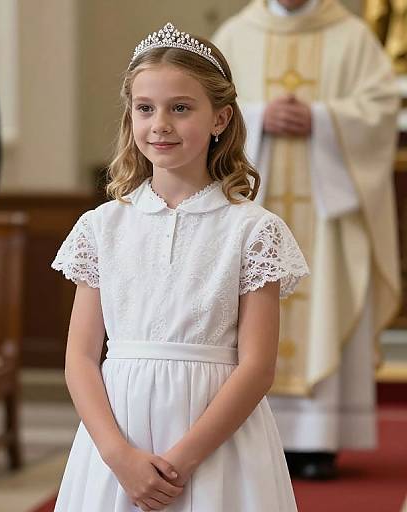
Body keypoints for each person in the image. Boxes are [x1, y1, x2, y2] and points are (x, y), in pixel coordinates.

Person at [51, 21, 309, 512]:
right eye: (145, 109)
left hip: (217, 444)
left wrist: (183, 461)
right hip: (116, 440)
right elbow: (81, 358)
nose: (160, 124)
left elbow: (257, 367)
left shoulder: (253, 231)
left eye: (181, 108)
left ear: (220, 119)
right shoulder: (101, 227)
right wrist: (118, 456)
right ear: (130, 116)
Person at [213, 0, 400, 479]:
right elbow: (206, 106)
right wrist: (255, 118)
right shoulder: (236, 34)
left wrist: (322, 120)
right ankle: (249, 430)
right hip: (253, 214)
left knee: (326, 304)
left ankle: (319, 440)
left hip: (327, 214)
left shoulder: (352, 36)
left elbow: (382, 109)